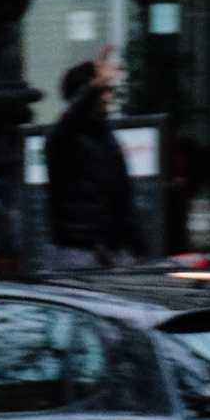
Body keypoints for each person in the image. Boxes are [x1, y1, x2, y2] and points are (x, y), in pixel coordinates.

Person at [44, 48, 141, 270]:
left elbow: (124, 196)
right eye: (103, 92)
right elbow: (70, 120)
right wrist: (94, 87)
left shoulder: (107, 138)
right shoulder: (62, 137)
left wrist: (137, 247)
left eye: (108, 91)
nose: (109, 98)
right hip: (78, 253)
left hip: (113, 251)